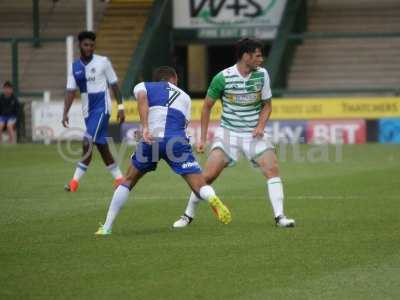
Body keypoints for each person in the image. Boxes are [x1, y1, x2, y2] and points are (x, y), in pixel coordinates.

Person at [173, 38, 295, 228]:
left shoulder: (262, 75)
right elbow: (206, 108)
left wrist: (261, 126)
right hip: (228, 134)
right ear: (245, 56)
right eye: (257, 55)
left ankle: (280, 217)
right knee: (207, 176)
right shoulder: (222, 77)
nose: (261, 59)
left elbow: (267, 106)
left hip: (254, 135)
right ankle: (187, 215)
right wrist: (202, 139)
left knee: (272, 169)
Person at [95, 66, 231, 235]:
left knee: (128, 180)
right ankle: (211, 197)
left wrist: (145, 128)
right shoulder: (186, 97)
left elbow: (142, 100)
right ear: (173, 79)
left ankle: (107, 227)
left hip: (151, 139)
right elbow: (183, 126)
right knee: (199, 184)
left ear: (157, 79)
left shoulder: (144, 86)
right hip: (176, 141)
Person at [62, 31, 125, 192]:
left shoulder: (103, 62)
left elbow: (114, 85)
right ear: (80, 46)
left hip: (102, 108)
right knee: (101, 146)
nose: (89, 48)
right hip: (88, 112)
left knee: (86, 141)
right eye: (86, 45)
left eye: (91, 45)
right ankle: (120, 179)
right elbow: (70, 91)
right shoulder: (74, 67)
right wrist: (65, 112)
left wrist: (121, 107)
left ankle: (74, 183)